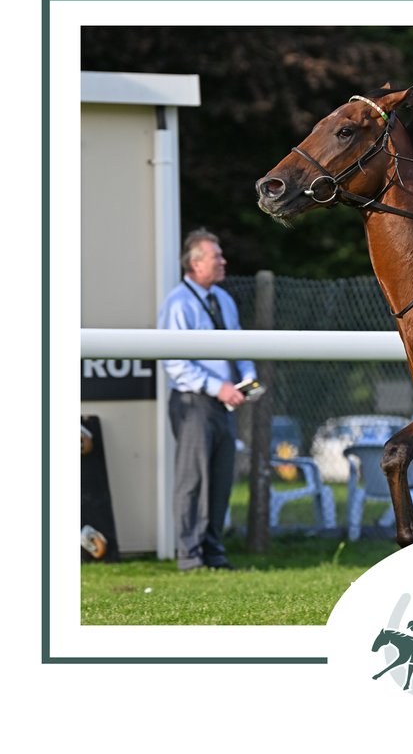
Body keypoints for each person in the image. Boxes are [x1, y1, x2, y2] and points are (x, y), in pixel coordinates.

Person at [157, 228, 258, 571]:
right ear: (196, 263)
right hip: (193, 403)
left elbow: (239, 346)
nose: (223, 261)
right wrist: (218, 388)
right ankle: (189, 556)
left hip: (224, 403)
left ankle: (214, 553)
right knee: (192, 480)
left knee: (219, 479)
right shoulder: (178, 303)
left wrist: (248, 381)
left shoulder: (224, 299)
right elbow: (175, 363)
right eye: (216, 256)